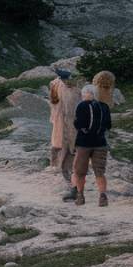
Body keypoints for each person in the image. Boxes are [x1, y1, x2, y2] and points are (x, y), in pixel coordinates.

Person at [73, 83, 112, 206]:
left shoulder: (82, 105)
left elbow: (78, 124)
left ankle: (80, 196)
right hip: (100, 143)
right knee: (100, 172)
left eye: (84, 94)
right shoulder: (104, 106)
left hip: (83, 143)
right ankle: (102, 197)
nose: (83, 96)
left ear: (88, 94)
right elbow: (109, 125)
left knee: (79, 172)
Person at [48, 69, 81, 200]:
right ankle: (74, 187)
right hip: (68, 130)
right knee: (69, 157)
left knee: (67, 158)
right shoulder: (71, 90)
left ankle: (74, 188)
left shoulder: (56, 87)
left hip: (66, 130)